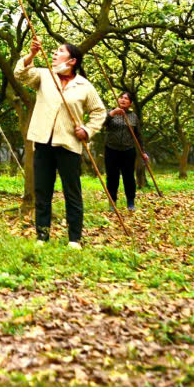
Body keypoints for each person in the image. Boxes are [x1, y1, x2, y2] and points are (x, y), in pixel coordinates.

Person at [14, 40, 107, 248]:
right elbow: (20, 74)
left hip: (69, 145)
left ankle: (74, 239)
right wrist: (31, 55)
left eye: (60, 52)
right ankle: (42, 236)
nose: (54, 54)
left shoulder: (84, 85)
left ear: (72, 60)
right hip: (43, 143)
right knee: (42, 191)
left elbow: (99, 112)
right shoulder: (44, 76)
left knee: (72, 192)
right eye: (54, 51)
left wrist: (88, 130)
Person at [104, 91, 148, 211]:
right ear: (118, 99)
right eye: (121, 97)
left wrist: (143, 152)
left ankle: (130, 202)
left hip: (128, 150)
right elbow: (102, 123)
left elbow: (138, 135)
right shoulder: (110, 112)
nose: (123, 100)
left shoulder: (133, 116)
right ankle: (112, 202)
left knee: (128, 177)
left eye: (126, 99)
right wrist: (113, 113)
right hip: (111, 150)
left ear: (130, 103)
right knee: (112, 177)